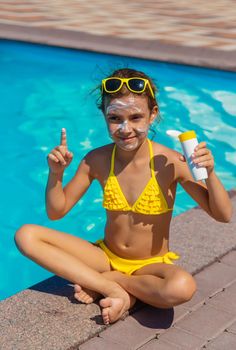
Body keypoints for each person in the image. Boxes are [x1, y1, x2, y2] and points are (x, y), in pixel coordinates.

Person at [15, 68, 232, 325]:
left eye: (136, 117)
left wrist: (210, 174)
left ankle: (110, 284)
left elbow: (223, 215)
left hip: (148, 265)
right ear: (104, 117)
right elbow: (56, 211)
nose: (125, 128)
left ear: (153, 115)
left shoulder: (172, 162)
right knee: (26, 235)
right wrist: (56, 174)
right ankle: (118, 291)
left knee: (182, 287)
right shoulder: (97, 159)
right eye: (115, 118)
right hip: (105, 257)